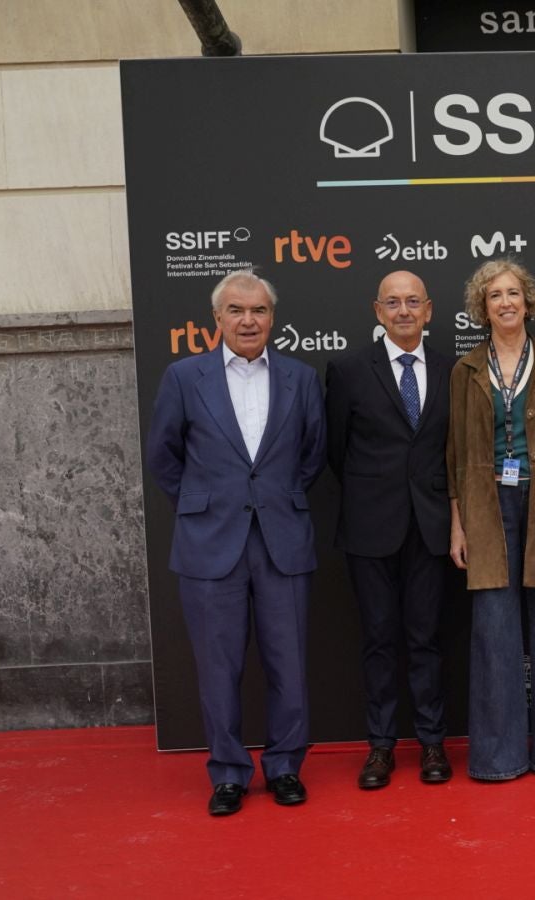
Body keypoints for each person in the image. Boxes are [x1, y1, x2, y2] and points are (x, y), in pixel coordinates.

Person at [145, 269, 326, 815]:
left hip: (282, 541)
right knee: (217, 666)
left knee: (288, 663)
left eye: (259, 311)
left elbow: (312, 457)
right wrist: (202, 507)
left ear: (273, 318)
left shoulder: (300, 377)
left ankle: (285, 767)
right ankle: (227, 773)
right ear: (217, 318)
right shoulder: (183, 377)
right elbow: (163, 457)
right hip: (209, 544)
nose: (249, 320)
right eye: (237, 311)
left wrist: (274, 501)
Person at [447, 259, 535, 780]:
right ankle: (497, 757)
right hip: (486, 508)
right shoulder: (465, 370)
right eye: (493, 296)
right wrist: (458, 523)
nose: (505, 303)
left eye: (512, 294)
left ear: (527, 302)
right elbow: (456, 455)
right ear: (482, 309)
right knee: (493, 629)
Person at [325, 270, 454, 789]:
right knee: (379, 640)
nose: (404, 311)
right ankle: (380, 747)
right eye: (393, 303)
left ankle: (431, 744)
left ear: (429, 311)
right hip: (369, 527)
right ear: (377, 311)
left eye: (413, 302)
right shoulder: (349, 369)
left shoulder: (453, 369)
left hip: (431, 527)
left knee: (425, 640)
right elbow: (336, 451)